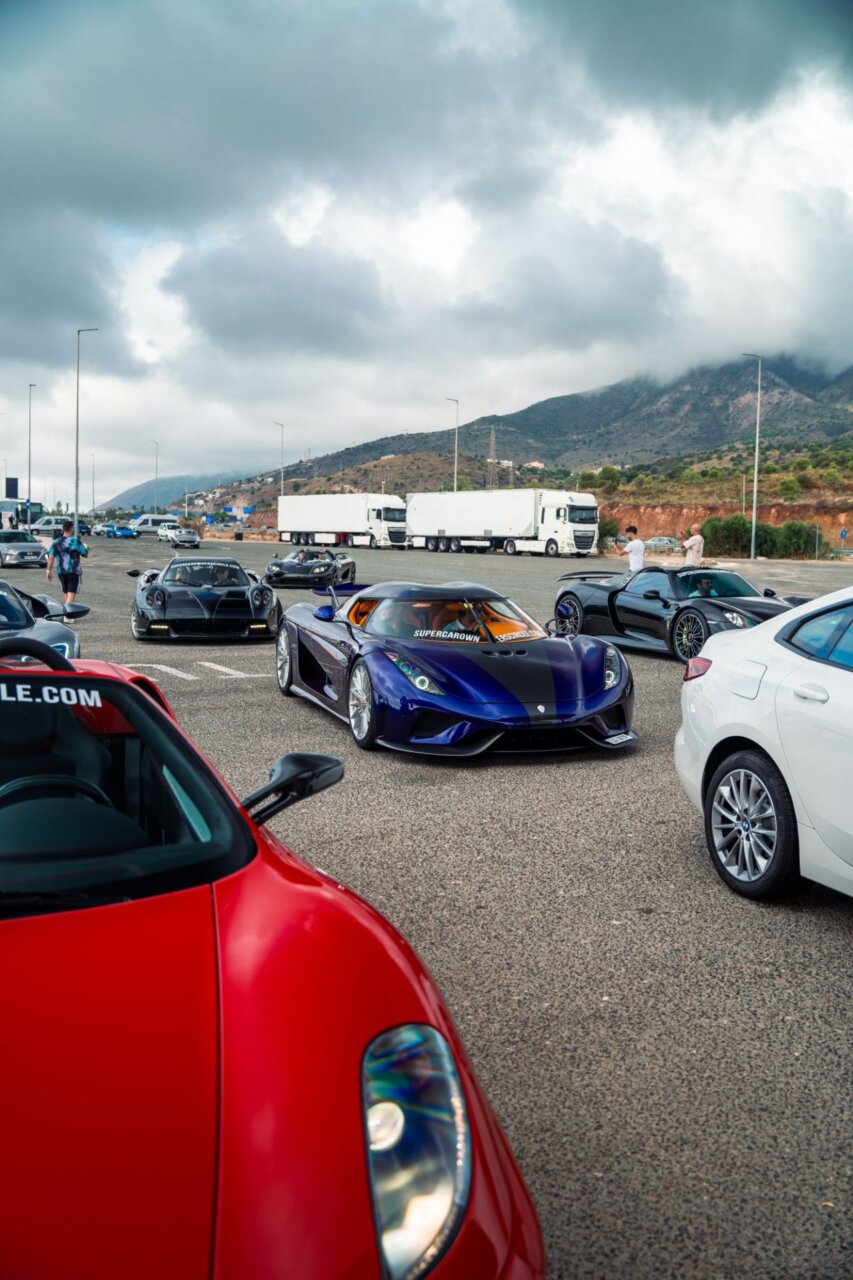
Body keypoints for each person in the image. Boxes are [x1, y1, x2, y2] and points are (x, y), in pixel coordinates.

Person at [47, 519, 88, 604]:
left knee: (66, 593)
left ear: (63, 529)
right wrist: (86, 546)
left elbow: (51, 557)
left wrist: (48, 571)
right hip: (73, 572)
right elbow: (85, 553)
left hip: (61, 572)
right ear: (72, 529)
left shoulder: (56, 542)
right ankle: (68, 612)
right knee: (71, 595)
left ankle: (66, 610)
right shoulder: (76, 541)